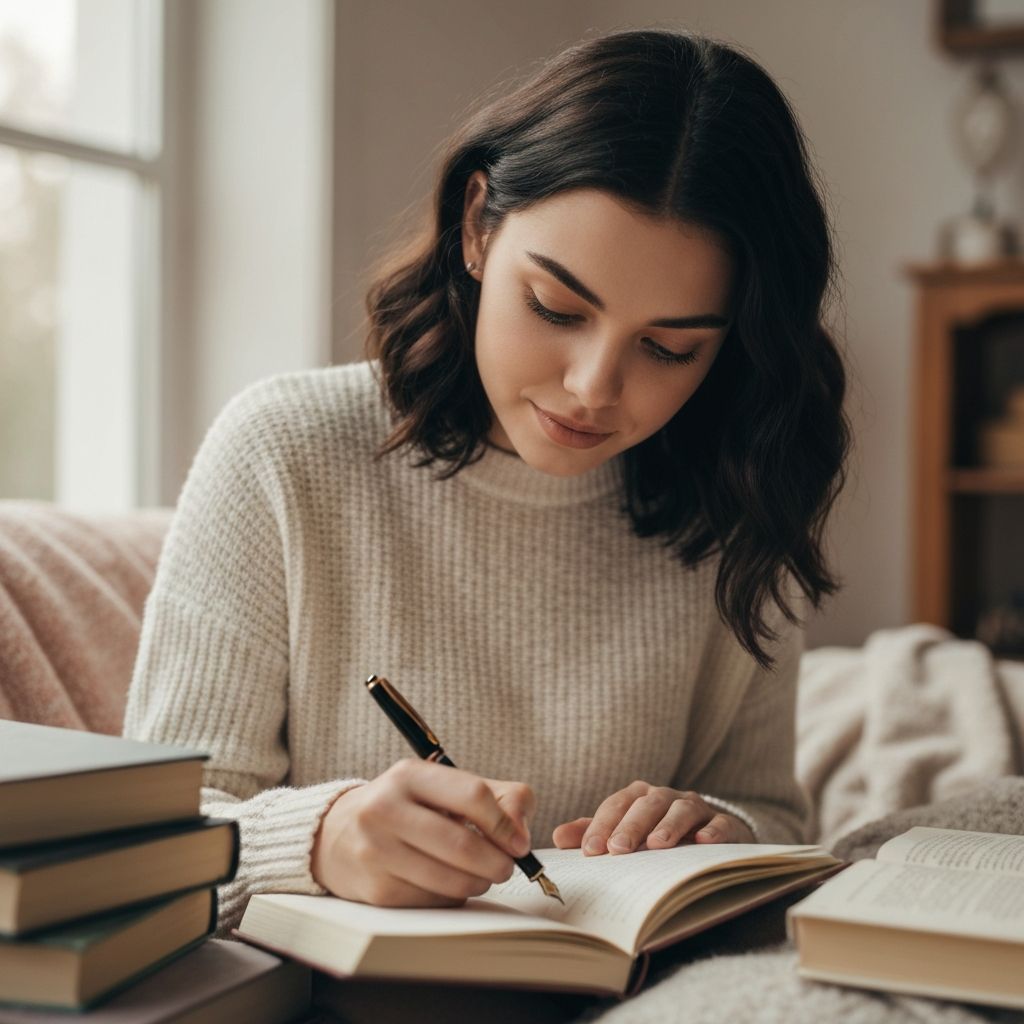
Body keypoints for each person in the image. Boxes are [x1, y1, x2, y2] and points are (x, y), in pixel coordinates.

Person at [122, 26, 849, 942]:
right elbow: (145, 840)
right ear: (477, 228)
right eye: (555, 307)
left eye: (670, 348)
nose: (593, 387)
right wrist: (322, 839)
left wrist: (722, 830)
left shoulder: (743, 497)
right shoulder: (285, 453)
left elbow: (775, 820)